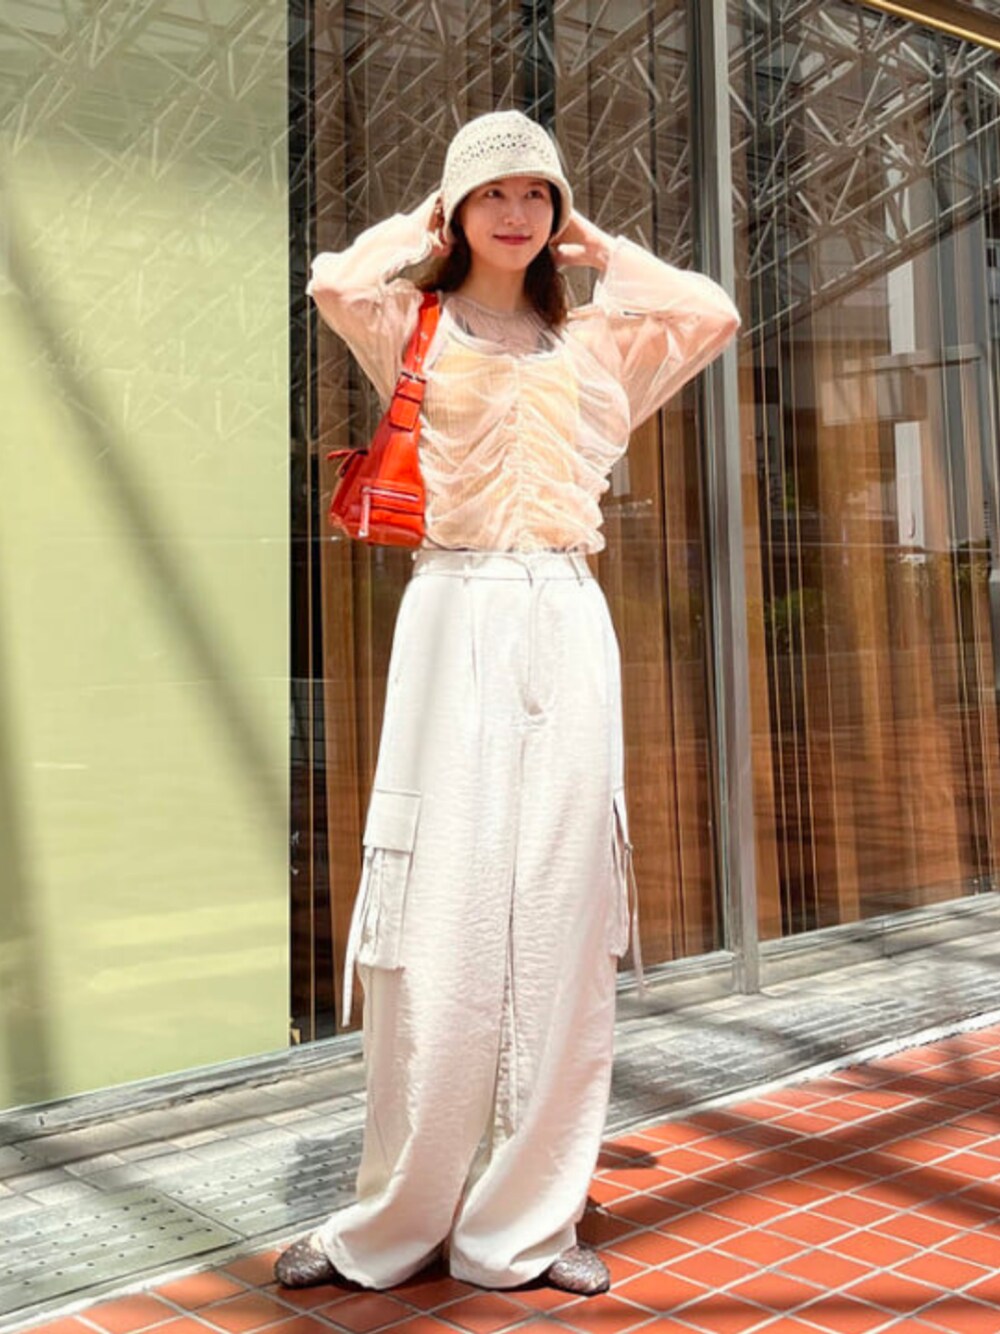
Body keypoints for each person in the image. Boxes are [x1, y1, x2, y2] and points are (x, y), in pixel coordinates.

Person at [275, 109, 740, 1297]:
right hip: (453, 609)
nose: (518, 212)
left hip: (565, 614)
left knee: (564, 910)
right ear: (458, 210)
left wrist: (602, 247)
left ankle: (525, 1220)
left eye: (538, 192)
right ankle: (399, 1210)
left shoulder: (596, 341)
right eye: (493, 193)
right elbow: (334, 281)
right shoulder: (412, 323)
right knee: (437, 911)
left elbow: (710, 314)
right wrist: (422, 221)